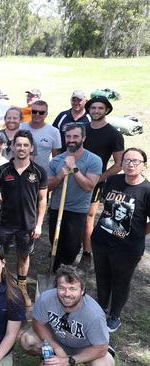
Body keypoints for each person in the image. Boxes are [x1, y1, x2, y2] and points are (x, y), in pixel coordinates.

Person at [91, 148, 150, 332]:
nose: (130, 164)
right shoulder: (114, 180)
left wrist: (138, 234)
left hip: (127, 248)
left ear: (144, 166)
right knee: (102, 277)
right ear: (121, 163)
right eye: (127, 160)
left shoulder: (146, 191)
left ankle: (114, 315)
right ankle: (101, 308)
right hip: (102, 241)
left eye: (135, 161)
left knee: (120, 281)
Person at [0, 130, 47, 308]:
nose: (21, 148)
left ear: (31, 148)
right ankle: (1, 286)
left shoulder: (39, 171)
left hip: (27, 224)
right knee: (1, 256)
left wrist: (39, 225)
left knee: (23, 255)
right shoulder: (3, 169)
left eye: (25, 145)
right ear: (12, 147)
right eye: (18, 145)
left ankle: (21, 286)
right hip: (5, 222)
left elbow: (43, 199)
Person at [19, 265, 114, 366]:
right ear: (56, 287)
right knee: (27, 340)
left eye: (72, 289)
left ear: (82, 290)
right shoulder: (46, 298)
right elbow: (37, 323)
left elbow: (101, 348)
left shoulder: (94, 314)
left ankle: (62, 361)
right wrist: (56, 347)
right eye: (62, 288)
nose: (66, 294)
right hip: (57, 339)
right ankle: (52, 358)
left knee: (104, 364)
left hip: (84, 347)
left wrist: (70, 361)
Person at [47, 123, 101, 270]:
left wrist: (74, 168)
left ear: (83, 138)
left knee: (71, 249)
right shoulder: (56, 161)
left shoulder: (94, 160)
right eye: (68, 136)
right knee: (55, 245)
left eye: (75, 136)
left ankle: (66, 274)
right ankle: (56, 275)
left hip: (77, 211)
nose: (71, 139)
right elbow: (48, 188)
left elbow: (88, 186)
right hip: (57, 209)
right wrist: (59, 176)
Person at [81, 96, 124, 264]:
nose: (96, 111)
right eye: (93, 108)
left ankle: (86, 251)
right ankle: (64, 246)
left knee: (88, 216)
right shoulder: (82, 129)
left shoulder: (114, 134)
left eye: (100, 108)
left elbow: (119, 164)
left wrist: (99, 178)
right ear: (89, 110)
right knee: (69, 213)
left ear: (106, 110)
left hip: (96, 182)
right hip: (75, 177)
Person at [20, 100, 62, 176]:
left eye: (41, 112)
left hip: (41, 175)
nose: (37, 114)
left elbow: (56, 158)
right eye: (34, 111)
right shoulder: (20, 127)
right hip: (20, 173)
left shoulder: (54, 132)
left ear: (46, 114)